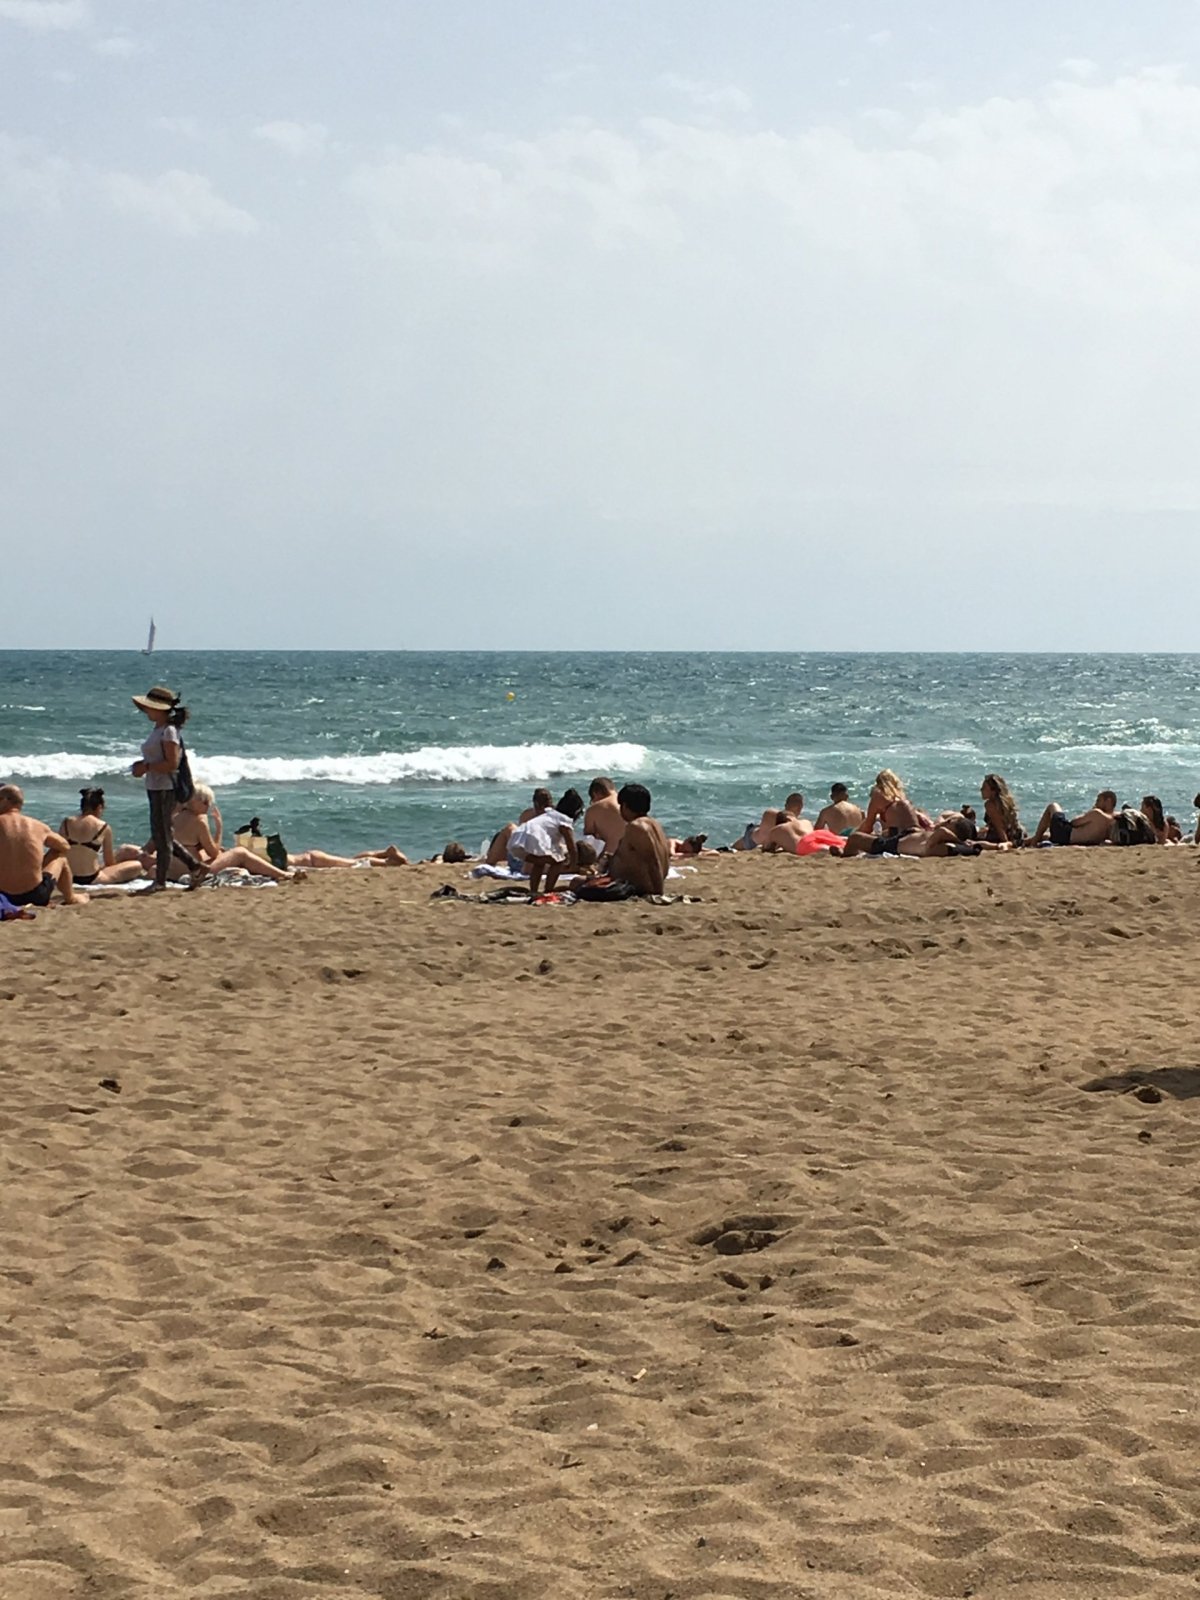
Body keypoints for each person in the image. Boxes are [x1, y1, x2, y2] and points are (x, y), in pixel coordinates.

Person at [131, 684, 203, 890]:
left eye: (149, 707)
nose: (146, 711)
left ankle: (161, 881)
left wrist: (145, 767)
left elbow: (171, 764)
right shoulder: (161, 730)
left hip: (165, 787)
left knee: (161, 835)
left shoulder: (169, 731)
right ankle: (195, 866)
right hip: (156, 786)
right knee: (163, 834)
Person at [171, 786, 303, 883]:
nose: (208, 806)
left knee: (224, 853)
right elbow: (213, 853)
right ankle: (283, 874)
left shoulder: (174, 817)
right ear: (194, 801)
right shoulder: (199, 821)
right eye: (205, 802)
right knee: (240, 853)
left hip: (173, 870)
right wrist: (219, 827)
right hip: (192, 872)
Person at [576, 783, 670, 898]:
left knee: (577, 882)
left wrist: (658, 893)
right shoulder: (654, 823)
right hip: (639, 882)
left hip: (636, 886)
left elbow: (653, 860)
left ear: (625, 806)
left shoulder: (637, 826)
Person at [0, 785, 87, 906]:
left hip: (2, 896)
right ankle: (70, 898)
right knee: (60, 856)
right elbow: (65, 846)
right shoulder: (37, 826)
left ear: (4, 800)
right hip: (36, 895)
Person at [59, 788, 146, 886]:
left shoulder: (66, 822)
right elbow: (109, 862)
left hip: (69, 875)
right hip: (92, 877)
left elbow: (59, 850)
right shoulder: (103, 826)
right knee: (137, 865)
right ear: (99, 807)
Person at [508, 788, 583, 898]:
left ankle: (533, 890)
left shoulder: (551, 813)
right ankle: (548, 890)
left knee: (539, 862)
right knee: (558, 861)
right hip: (533, 837)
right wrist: (573, 864)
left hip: (519, 837)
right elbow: (572, 846)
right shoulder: (564, 820)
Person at [840, 770, 925, 857]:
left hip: (901, 840)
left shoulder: (878, 795)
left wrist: (853, 835)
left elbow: (868, 827)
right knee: (882, 835)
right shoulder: (901, 798)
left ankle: (845, 854)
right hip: (917, 835)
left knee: (854, 838)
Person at [1030, 791, 1117, 846]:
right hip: (1071, 841)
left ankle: (1033, 844)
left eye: (1099, 800)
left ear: (1108, 801)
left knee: (1053, 806)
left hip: (1065, 835)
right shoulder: (1114, 820)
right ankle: (1024, 841)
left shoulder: (1097, 813)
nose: (1096, 803)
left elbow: (1074, 822)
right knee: (1047, 835)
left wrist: (1090, 812)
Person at [584, 776, 626, 858]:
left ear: (596, 793)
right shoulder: (627, 803)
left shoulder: (595, 808)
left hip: (611, 858)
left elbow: (587, 842)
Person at [980, 774, 1024, 846]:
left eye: (984, 788)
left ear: (993, 791)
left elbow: (999, 828)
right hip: (1017, 835)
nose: (981, 790)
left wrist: (1006, 842)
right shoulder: (1005, 803)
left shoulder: (990, 805)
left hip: (1007, 837)